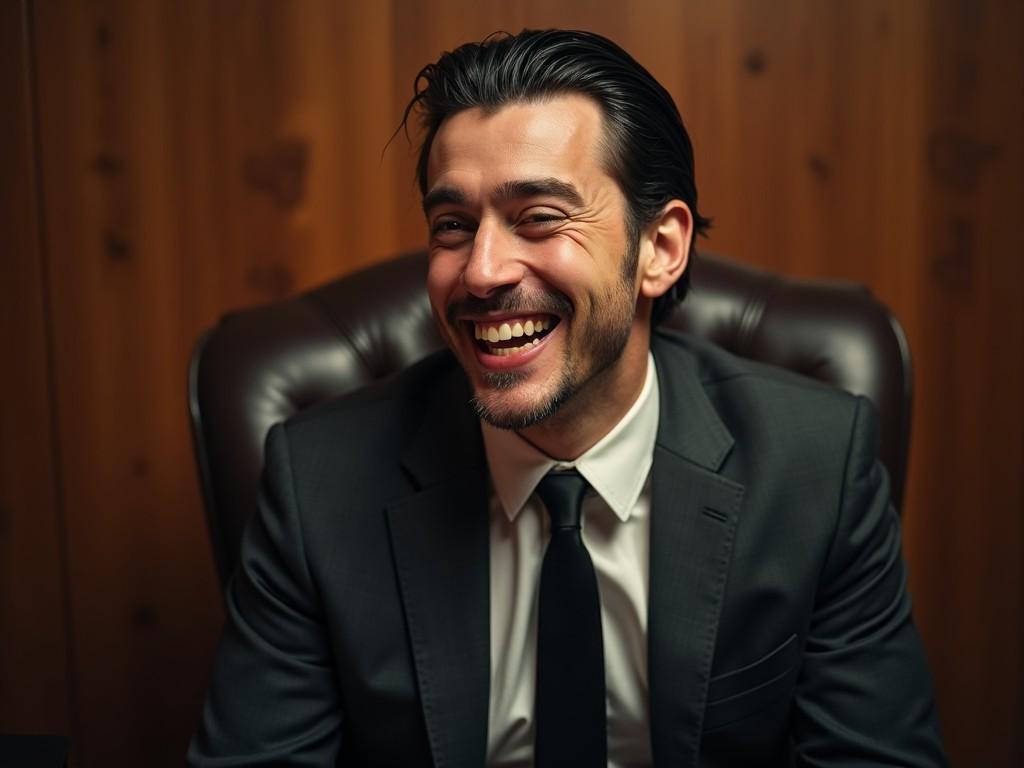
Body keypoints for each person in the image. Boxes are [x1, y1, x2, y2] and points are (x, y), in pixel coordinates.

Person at [189, 29, 946, 767]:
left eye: (539, 218)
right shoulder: (318, 480)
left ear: (660, 248)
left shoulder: (816, 465)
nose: (480, 271)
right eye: (452, 226)